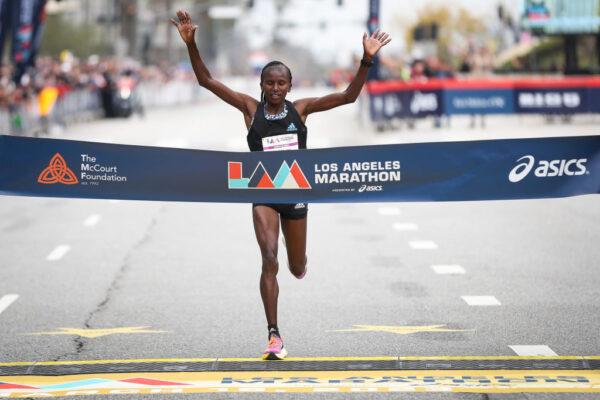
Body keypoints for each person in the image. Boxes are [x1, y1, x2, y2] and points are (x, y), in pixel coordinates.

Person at [171, 10, 391, 360]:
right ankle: (274, 334)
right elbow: (207, 81)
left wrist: (366, 59)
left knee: (296, 266)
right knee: (269, 259)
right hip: (263, 197)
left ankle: (298, 257)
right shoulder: (249, 109)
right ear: (261, 85)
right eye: (269, 83)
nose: (275, 89)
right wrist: (191, 43)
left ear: (290, 86)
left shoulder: (301, 110)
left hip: (295, 198)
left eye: (281, 84)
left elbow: (348, 96)